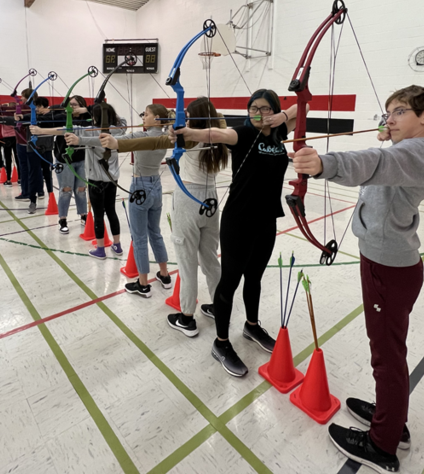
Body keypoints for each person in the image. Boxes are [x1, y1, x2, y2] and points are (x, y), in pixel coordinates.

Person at [292, 85, 424, 474]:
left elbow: (374, 163)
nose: (389, 119)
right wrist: (394, 136)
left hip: (388, 267)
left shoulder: (418, 151)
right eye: (387, 114)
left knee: (387, 358)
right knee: (388, 352)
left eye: (400, 112)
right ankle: (390, 417)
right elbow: (388, 163)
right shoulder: (417, 151)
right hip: (390, 262)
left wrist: (324, 164)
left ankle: (382, 443)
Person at [174, 90, 300, 377]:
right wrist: (187, 130)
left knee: (254, 278)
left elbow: (304, 104)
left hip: (267, 219)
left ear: (274, 110)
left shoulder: (279, 133)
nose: (258, 113)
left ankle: (251, 326)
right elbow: (216, 136)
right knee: (229, 282)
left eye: (265, 109)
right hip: (239, 220)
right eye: (253, 108)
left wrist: (280, 117)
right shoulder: (242, 133)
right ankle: (221, 343)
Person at [101, 98, 229, 330]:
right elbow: (216, 120)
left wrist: (117, 144)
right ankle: (220, 308)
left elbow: (155, 140)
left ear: (194, 119)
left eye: (188, 115)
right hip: (210, 201)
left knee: (187, 262)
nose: (185, 119)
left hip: (189, 199)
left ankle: (187, 318)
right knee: (210, 259)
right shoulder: (221, 136)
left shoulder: (189, 136)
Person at [97, 104, 175, 298]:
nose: (143, 117)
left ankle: (143, 285)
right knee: (155, 232)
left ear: (157, 118)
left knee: (139, 237)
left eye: (146, 114)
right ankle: (164, 275)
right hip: (156, 186)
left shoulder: (142, 137)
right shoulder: (166, 137)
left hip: (140, 186)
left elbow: (114, 141)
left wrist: (91, 138)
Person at [64, 103, 127, 259]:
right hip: (112, 179)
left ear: (96, 117)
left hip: (96, 181)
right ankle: (117, 246)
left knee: (98, 214)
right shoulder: (118, 130)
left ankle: (100, 249)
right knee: (111, 211)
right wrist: (101, 113)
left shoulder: (90, 133)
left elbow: (65, 130)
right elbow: (124, 122)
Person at [29, 95, 91, 234]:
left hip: (81, 159)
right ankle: (62, 219)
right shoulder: (61, 116)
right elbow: (50, 122)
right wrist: (34, 123)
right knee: (66, 190)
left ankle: (83, 216)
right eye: (71, 104)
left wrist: (83, 111)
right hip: (64, 159)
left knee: (81, 190)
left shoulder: (87, 119)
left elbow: (94, 116)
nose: (72, 107)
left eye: (76, 105)